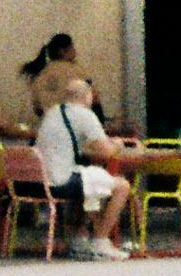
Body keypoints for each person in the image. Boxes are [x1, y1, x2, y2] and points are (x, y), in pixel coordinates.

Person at [31, 64, 133, 257]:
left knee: (89, 180)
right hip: (58, 181)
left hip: (35, 182)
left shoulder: (52, 112)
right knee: (121, 186)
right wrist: (118, 144)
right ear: (87, 96)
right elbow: (107, 152)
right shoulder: (85, 114)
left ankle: (79, 237)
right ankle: (101, 240)